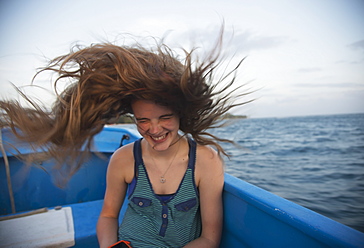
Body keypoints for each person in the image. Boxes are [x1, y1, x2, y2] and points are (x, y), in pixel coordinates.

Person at [0, 32, 249, 247]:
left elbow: (209, 238)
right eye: (142, 120)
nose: (154, 129)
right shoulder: (123, 158)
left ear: (180, 114)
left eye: (165, 117)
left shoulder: (205, 160)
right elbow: (108, 216)